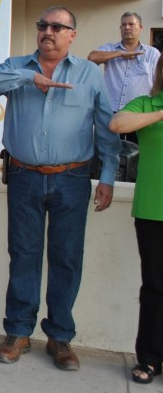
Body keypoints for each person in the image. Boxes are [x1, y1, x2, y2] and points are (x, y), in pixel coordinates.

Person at [0, 6, 120, 371]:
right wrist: (28, 79)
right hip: (24, 175)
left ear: (73, 34)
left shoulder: (89, 74)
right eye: (43, 25)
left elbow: (105, 127)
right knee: (23, 254)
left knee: (67, 258)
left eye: (58, 27)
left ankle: (60, 337)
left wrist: (107, 177)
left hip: (72, 178)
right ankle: (18, 332)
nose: (48, 32)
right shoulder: (18, 65)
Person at [108, 55, 163, 385]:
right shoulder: (147, 103)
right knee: (155, 286)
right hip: (152, 209)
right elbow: (117, 125)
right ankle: (151, 358)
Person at [88, 12, 160, 143]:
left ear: (140, 27)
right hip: (111, 114)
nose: (127, 27)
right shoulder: (110, 48)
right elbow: (92, 58)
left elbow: (158, 81)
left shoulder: (152, 53)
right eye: (124, 24)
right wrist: (120, 54)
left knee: (137, 153)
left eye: (131, 24)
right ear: (120, 28)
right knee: (109, 154)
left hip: (139, 114)